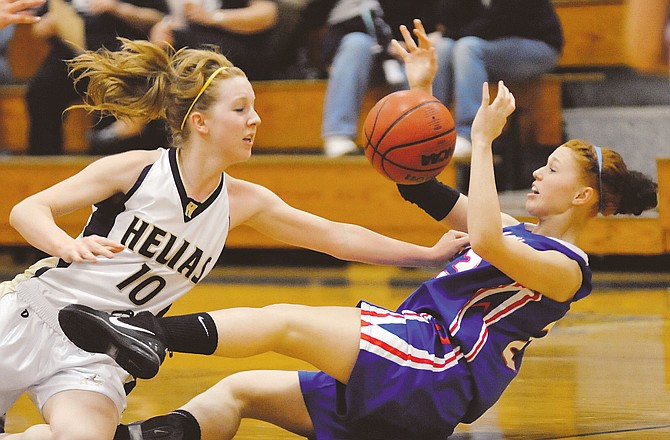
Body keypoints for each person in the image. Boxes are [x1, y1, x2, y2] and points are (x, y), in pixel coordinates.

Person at [57, 20, 658, 439]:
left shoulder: (566, 268)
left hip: (436, 369)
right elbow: (420, 185)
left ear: (581, 195)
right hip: (409, 378)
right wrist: (420, 91)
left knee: (282, 320)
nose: (535, 171)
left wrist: (479, 139)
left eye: (549, 169)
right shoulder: (508, 228)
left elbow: (487, 239)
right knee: (236, 393)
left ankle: (142, 333)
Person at [0, 33, 464, 438]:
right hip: (35, 313)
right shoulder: (136, 170)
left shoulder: (243, 201)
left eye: (255, 107)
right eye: (241, 109)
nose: (255, 119)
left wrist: (424, 254)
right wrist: (66, 244)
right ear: (200, 122)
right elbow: (28, 209)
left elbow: (335, 236)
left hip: (98, 355)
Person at [93, 0, 279, 153]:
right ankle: (144, 121)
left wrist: (214, 18)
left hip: (241, 46)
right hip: (192, 41)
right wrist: (163, 27)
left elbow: (267, 15)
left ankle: (135, 118)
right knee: (159, 44)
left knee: (173, 46)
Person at [25, 0, 168, 155]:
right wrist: (44, 27)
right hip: (71, 56)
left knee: (118, 88)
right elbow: (38, 26)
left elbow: (160, 18)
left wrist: (119, 8)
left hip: (120, 55)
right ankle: (45, 161)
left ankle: (107, 154)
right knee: (41, 90)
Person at [430, 0, 564, 158]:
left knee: (467, 47)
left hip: (538, 46)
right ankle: (434, 128)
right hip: (491, 47)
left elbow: (500, 24)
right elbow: (448, 17)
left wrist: (447, 33)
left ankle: (469, 134)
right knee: (443, 47)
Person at [305, 0, 436, 157]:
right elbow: (314, 19)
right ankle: (338, 133)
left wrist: (406, 45)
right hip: (358, 59)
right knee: (357, 43)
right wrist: (328, 58)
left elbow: (429, 21)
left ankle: (425, 140)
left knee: (429, 56)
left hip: (401, 57)